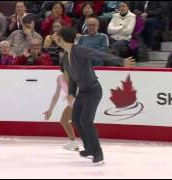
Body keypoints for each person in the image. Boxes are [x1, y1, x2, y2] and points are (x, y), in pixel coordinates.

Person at [54, 27, 135, 164]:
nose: (54, 37)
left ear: (62, 38)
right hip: (83, 92)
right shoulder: (66, 58)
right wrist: (71, 94)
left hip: (93, 90)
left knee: (86, 121)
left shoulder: (79, 50)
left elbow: (99, 54)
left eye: (57, 35)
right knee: (76, 120)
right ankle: (89, 149)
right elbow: (73, 79)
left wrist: (121, 61)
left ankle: (98, 153)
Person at [43, 67, 79, 151]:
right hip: (72, 103)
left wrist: (73, 95)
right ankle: (73, 143)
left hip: (80, 102)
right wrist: (50, 110)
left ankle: (75, 143)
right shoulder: (60, 78)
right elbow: (56, 95)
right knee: (64, 120)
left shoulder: (76, 76)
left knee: (69, 121)